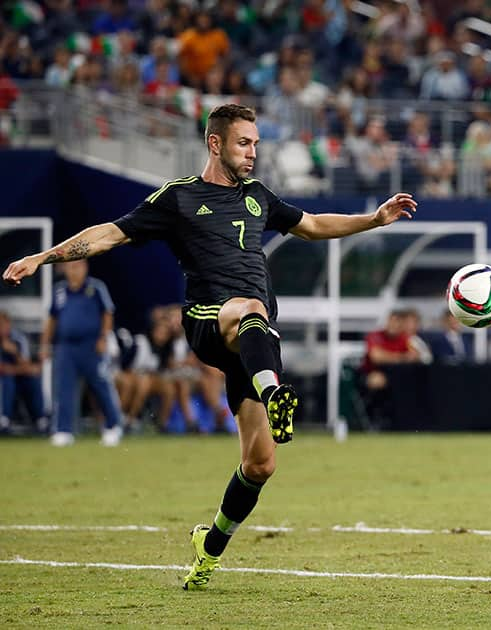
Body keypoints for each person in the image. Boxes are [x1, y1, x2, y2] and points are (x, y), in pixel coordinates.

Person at [2, 104, 417, 590]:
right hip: (209, 319)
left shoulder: (259, 197)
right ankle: (274, 392)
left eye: (257, 144)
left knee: (260, 464)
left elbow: (313, 225)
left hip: (256, 340)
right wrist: (43, 256)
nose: (253, 153)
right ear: (215, 143)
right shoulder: (178, 198)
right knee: (249, 309)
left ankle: (210, 546)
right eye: (244, 143)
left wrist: (374, 218)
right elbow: (109, 234)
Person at [40, 260, 123, 447]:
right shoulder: (59, 291)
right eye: (70, 267)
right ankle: (64, 430)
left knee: (101, 386)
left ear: (85, 267)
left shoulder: (95, 288)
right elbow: (52, 319)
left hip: (91, 345)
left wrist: (103, 338)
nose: (73, 271)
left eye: (77, 266)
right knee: (63, 389)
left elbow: (107, 313)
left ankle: (113, 426)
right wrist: (45, 345)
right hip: (66, 346)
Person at [0, 310, 48, 433]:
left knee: (32, 380)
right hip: (5, 380)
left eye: (4, 324)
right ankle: (4, 420)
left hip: (17, 376)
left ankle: (40, 420)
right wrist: (15, 370)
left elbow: (29, 367)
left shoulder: (18, 338)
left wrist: (15, 352)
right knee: (7, 381)